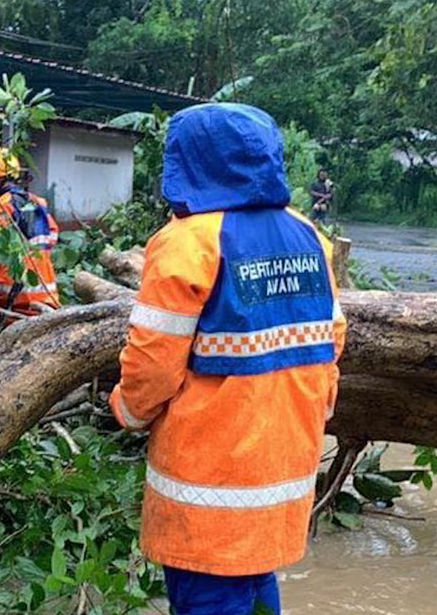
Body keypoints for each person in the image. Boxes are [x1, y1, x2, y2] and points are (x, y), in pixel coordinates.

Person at [110, 103, 345, 615]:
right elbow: (333, 339)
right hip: (283, 469)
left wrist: (127, 410)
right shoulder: (309, 235)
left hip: (210, 479)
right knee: (258, 583)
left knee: (212, 593)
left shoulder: (186, 243)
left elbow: (153, 363)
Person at [0, 147, 60, 317]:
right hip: (47, 288)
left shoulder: (1, 205)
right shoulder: (39, 202)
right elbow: (53, 237)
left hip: (15, 290)